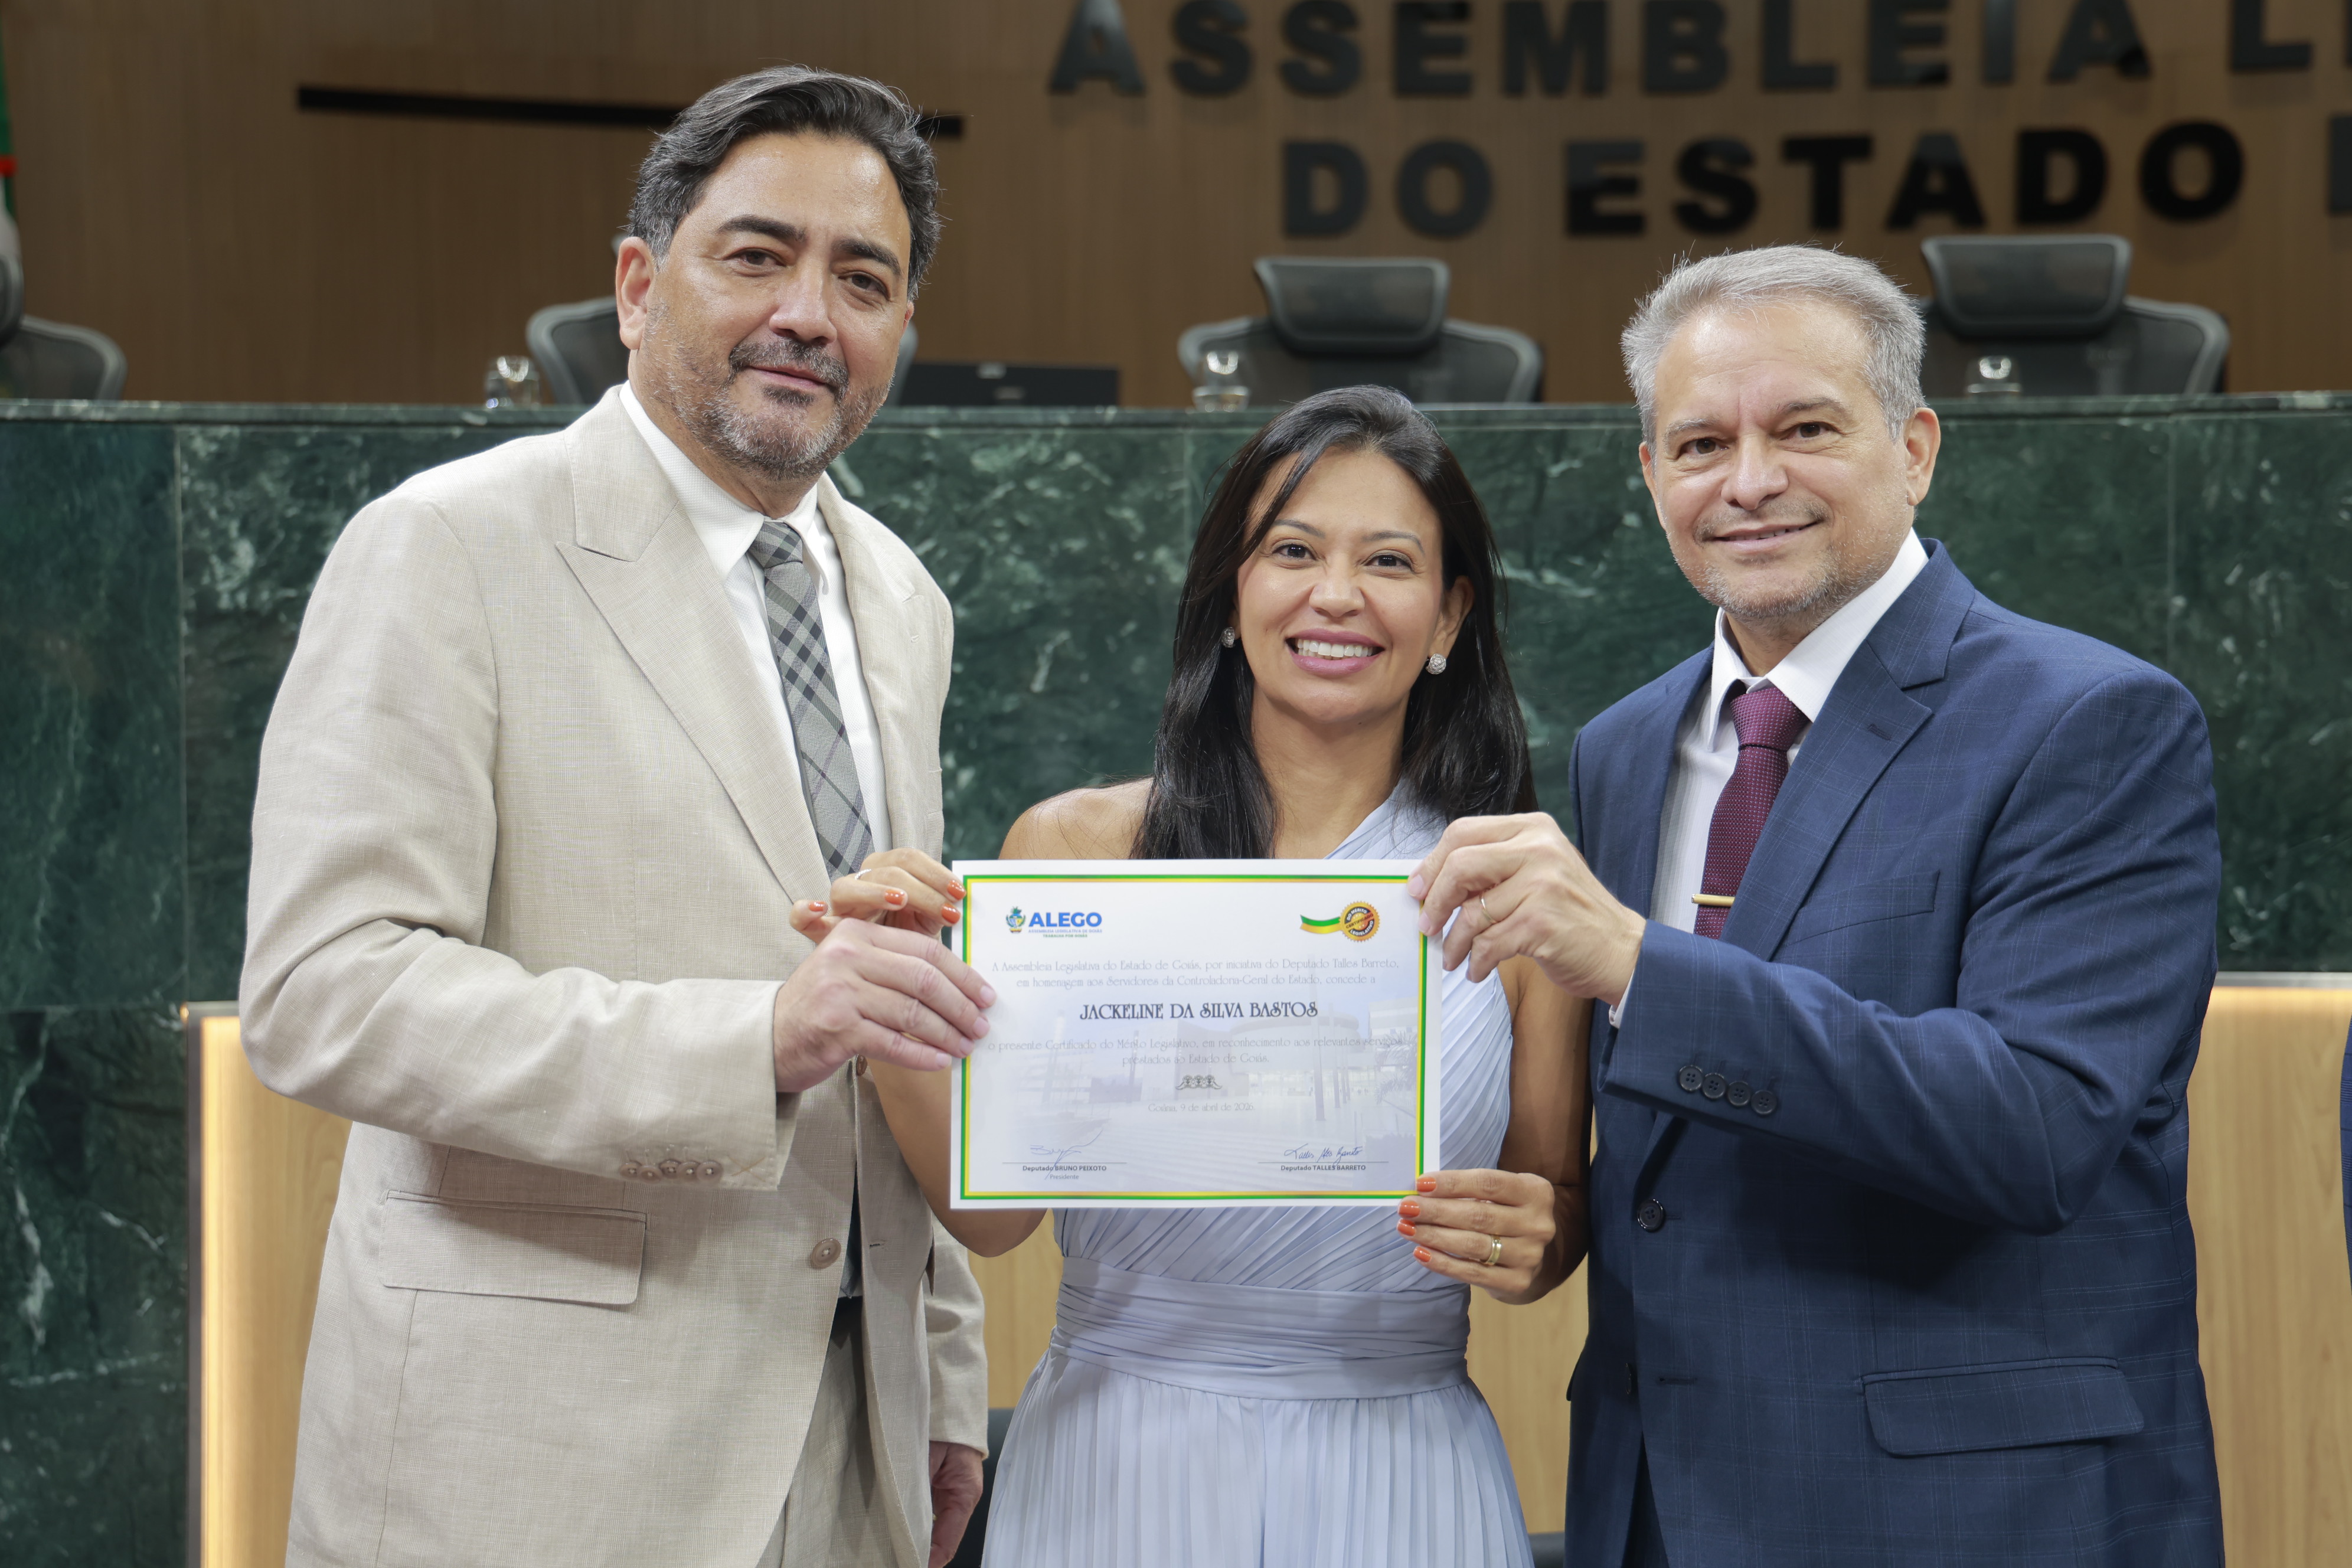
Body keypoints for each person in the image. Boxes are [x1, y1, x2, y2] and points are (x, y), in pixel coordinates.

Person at [240, 67, 997, 1568]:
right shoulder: (447, 545)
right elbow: (325, 991)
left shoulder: (902, 598)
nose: (809, 314)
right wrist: (753, 1039)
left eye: (863, 280)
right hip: (536, 1461)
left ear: (902, 328)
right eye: (758, 255)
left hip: (851, 1453)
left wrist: (944, 1371)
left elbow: (897, 1002)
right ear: (640, 287)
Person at [1408, 244, 2224, 1565]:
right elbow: (1678, 1164)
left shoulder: (2093, 721)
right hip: (1660, 1503)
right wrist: (1546, 1216)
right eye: (1700, 444)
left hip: (1973, 1518)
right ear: (1651, 475)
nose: (1747, 480)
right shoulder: (1625, 748)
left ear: (1915, 447)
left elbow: (2035, 1128)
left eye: (1804, 429)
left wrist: (1641, 965)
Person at [793, 386, 1590, 1567]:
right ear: (1229, 595)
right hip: (1114, 1462)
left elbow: (1553, 1210)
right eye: (1293, 551)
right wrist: (889, 986)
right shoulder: (1072, 850)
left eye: (1388, 560)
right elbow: (992, 1216)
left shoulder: (1517, 891)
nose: (1336, 594)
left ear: (1449, 615)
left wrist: (1539, 1240)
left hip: (1404, 1467)